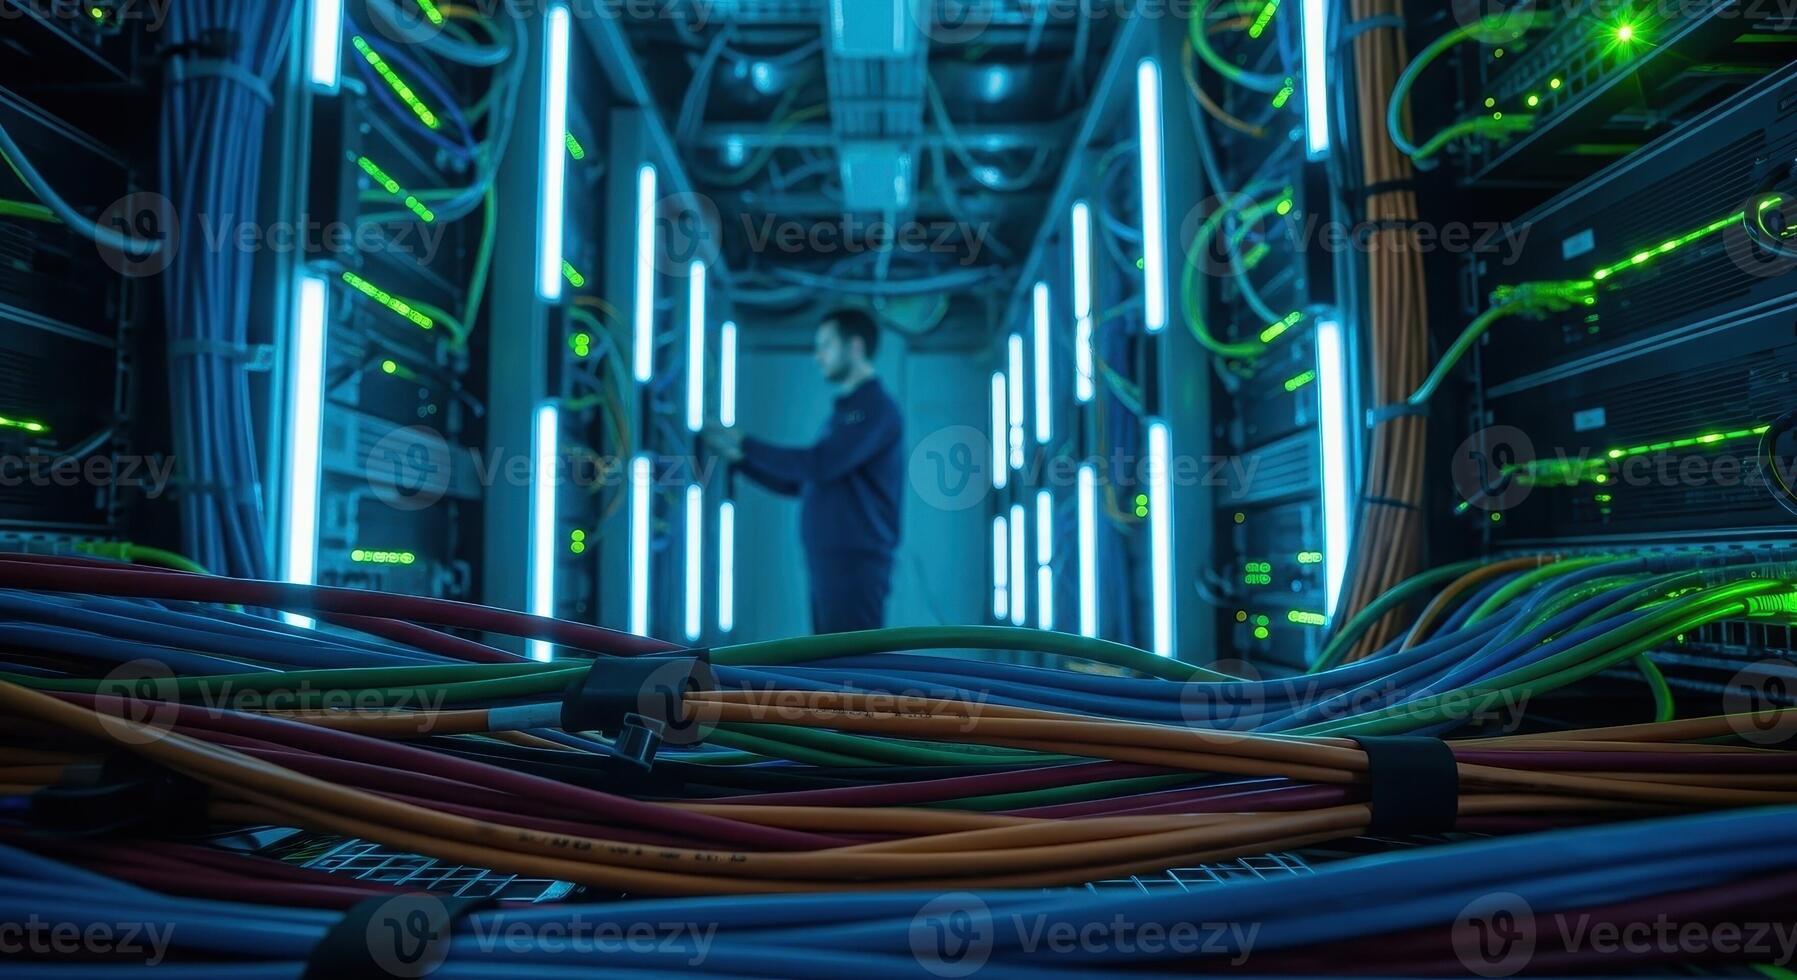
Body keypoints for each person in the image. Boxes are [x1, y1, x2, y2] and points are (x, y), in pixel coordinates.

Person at [703, 310, 904, 634]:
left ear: (854, 346)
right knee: (833, 662)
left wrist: (743, 442)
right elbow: (803, 482)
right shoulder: (851, 411)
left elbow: (819, 464)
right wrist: (738, 460)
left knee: (849, 665)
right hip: (835, 558)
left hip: (854, 562)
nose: (818, 356)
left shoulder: (873, 408)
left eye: (826, 344)